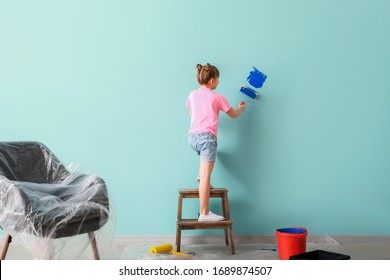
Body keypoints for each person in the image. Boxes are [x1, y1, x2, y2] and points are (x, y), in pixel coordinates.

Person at [186, 63, 246, 222]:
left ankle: (201, 177)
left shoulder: (192, 95)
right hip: (207, 138)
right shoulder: (218, 97)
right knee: (206, 176)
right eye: (218, 79)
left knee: (203, 173)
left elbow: (193, 115)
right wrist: (240, 108)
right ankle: (204, 213)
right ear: (212, 81)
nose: (218, 82)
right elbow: (233, 114)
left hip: (193, 138)